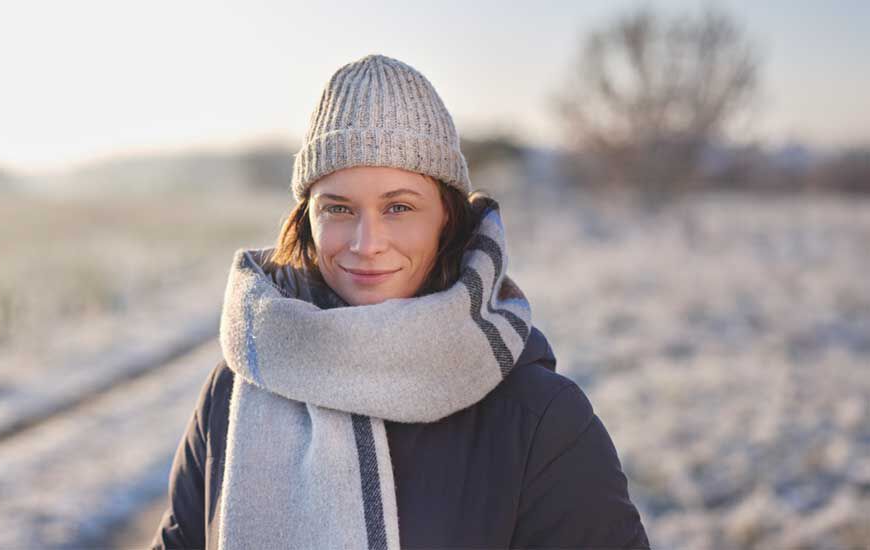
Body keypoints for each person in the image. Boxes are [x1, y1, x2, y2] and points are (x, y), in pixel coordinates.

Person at [149, 54, 648, 549]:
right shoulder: (236, 388)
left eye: (399, 207)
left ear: (447, 220)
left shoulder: (540, 421)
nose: (367, 243)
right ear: (306, 220)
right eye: (339, 208)